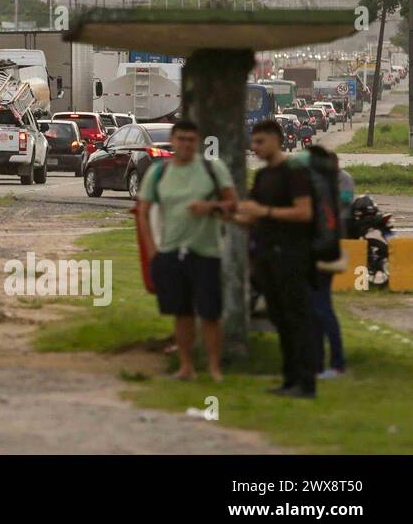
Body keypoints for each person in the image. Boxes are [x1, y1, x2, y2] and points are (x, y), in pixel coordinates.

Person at [137, 119, 238, 381]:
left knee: (210, 314)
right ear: (172, 141)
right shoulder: (158, 172)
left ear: (197, 142)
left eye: (190, 140)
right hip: (170, 251)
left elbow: (232, 205)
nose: (185, 144)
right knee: (181, 314)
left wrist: (209, 208)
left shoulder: (212, 169)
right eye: (180, 139)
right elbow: (143, 212)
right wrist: (152, 251)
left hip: (206, 251)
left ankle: (215, 368)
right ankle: (186, 367)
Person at [235, 119, 317, 398]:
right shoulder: (262, 176)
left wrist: (265, 212)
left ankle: (306, 382)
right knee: (280, 319)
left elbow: (304, 212)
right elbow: (251, 215)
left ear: (276, 140)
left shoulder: (294, 171)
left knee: (297, 319)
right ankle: (289, 379)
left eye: (260, 142)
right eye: (253, 142)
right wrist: (223, 214)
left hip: (292, 255)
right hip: (266, 257)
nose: (254, 147)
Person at [312, 168, 352, 379]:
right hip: (316, 257)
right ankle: (318, 363)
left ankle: (337, 363)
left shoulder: (338, 185)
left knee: (322, 310)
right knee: (316, 312)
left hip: (323, 258)